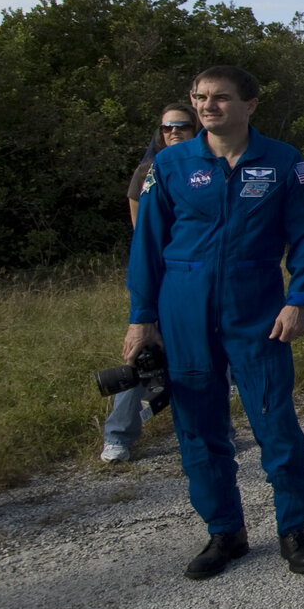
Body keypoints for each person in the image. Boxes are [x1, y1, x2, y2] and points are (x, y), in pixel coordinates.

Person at [124, 65, 304, 580]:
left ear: (250, 104)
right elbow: (147, 244)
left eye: (219, 97)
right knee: (197, 423)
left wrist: (298, 297)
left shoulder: (283, 161)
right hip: (183, 303)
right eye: (199, 97)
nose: (206, 106)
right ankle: (224, 532)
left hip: (256, 302)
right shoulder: (170, 164)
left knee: (272, 418)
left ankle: (294, 528)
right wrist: (141, 317)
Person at [101, 102, 198, 463]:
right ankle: (118, 436)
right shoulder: (146, 171)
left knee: (205, 353)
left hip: (199, 272)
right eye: (168, 128)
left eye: (183, 126)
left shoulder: (211, 165)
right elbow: (142, 232)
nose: (175, 132)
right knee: (144, 355)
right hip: (160, 273)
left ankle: (211, 430)